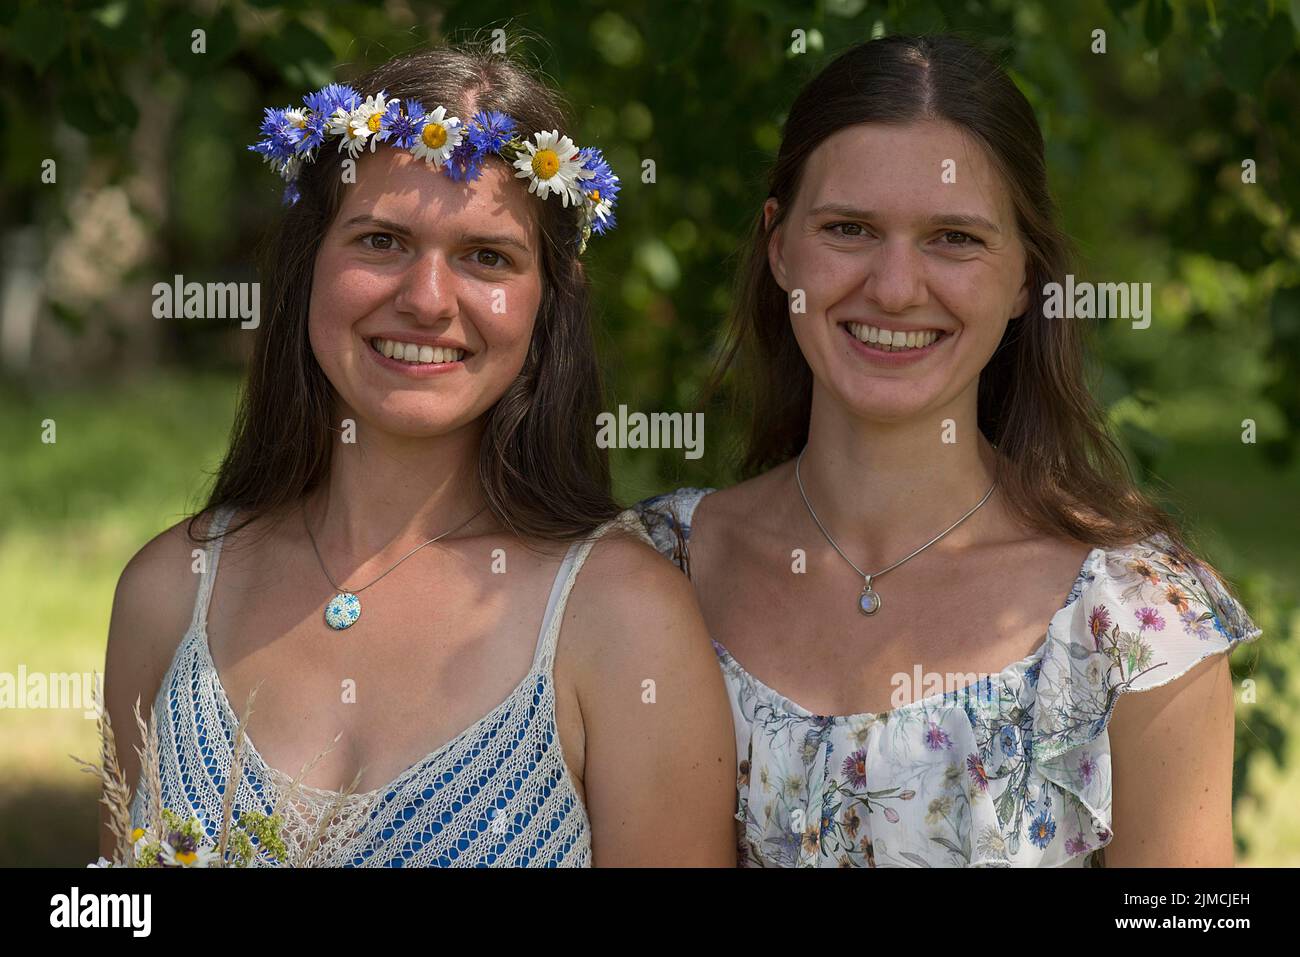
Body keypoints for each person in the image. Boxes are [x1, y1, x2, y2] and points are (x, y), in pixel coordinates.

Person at [101, 43, 735, 867]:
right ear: (307, 270)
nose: (428, 300)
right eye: (382, 241)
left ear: (546, 310)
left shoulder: (623, 622)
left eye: (486, 256)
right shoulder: (166, 596)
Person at [637, 34, 1261, 868]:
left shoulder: (1135, 619)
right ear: (780, 247)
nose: (895, 288)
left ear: (1022, 279)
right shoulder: (652, 575)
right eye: (850, 228)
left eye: (954, 238)